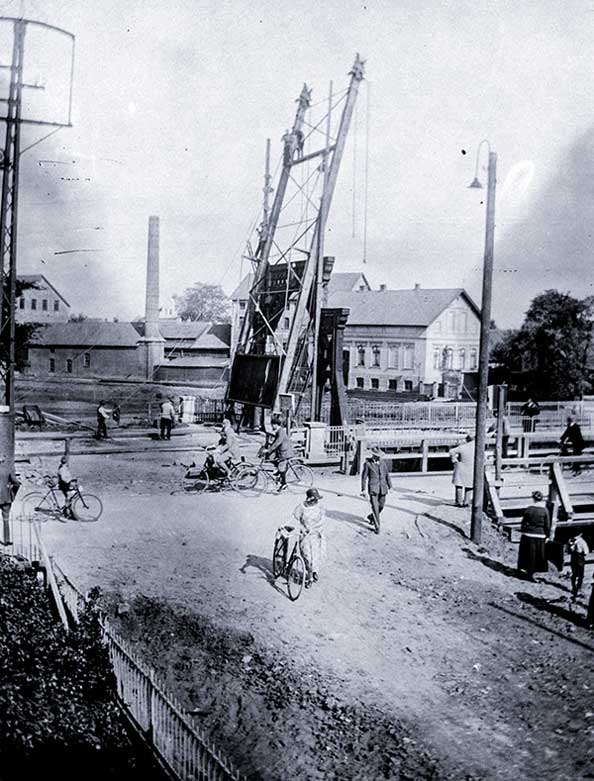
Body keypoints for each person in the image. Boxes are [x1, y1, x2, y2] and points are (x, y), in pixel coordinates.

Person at [294, 487, 326, 588]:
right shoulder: (302, 507)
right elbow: (295, 517)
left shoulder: (320, 507)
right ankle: (310, 575)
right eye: (314, 499)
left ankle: (313, 573)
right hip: (305, 535)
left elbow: (322, 520)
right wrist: (303, 528)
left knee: (316, 556)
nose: (315, 501)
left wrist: (315, 528)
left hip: (316, 535)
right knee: (307, 556)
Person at [517, 490, 550, 581]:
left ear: (533, 499)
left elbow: (523, 523)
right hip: (539, 535)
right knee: (537, 556)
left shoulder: (529, 509)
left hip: (528, 534)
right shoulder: (544, 511)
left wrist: (524, 531)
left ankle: (525, 571)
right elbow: (547, 525)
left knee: (527, 554)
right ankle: (532, 574)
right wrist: (547, 536)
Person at [360, 445, 392, 534]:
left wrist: (390, 486)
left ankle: (371, 517)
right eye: (377, 456)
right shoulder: (367, 464)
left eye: (379, 456)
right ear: (373, 455)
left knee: (381, 506)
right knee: (375, 507)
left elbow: (387, 475)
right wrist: (363, 490)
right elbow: (364, 478)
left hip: (383, 488)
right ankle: (377, 527)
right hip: (373, 489)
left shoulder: (383, 463)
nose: (378, 458)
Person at [263, 417, 292, 493]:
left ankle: (284, 484)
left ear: (276, 425)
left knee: (281, 468)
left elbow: (277, 443)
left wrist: (269, 450)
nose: (272, 426)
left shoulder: (281, 432)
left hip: (284, 453)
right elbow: (274, 442)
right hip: (281, 452)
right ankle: (279, 476)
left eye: (272, 425)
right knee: (273, 460)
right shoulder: (278, 431)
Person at [449, 434, 475, 507]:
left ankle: (459, 502)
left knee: (459, 485)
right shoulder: (477, 447)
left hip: (461, 466)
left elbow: (451, 451)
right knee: (469, 486)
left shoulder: (463, 446)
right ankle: (466, 502)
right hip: (471, 467)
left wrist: (454, 460)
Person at [0, 455, 20, 546]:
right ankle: (6, 540)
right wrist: (12, 493)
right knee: (6, 519)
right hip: (6, 498)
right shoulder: (7, 469)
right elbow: (16, 483)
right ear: (3, 460)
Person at [568, 532, 589, 600]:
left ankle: (573, 587)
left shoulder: (570, 540)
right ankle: (578, 588)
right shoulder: (582, 541)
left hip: (573, 557)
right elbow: (586, 552)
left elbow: (570, 549)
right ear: (581, 534)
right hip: (580, 558)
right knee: (581, 575)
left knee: (574, 574)